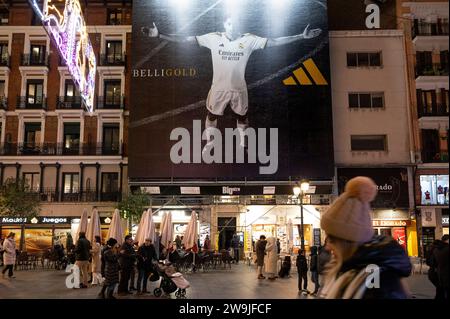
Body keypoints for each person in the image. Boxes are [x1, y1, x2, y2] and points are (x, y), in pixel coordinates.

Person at [142, 15, 321, 151]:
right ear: (224, 25)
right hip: (218, 89)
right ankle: (211, 142)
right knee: (211, 116)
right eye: (229, 23)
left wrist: (300, 37)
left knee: (242, 117)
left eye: (235, 23)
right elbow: (186, 40)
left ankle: (243, 140)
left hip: (239, 89)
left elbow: (274, 42)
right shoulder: (214, 38)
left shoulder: (249, 39)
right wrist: (160, 35)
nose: (232, 26)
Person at [320, 176, 412, 299]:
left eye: (331, 238)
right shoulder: (344, 269)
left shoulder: (377, 280)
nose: (327, 246)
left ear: (346, 241)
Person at [430, 235, 449, 299]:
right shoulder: (447, 249)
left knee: (441, 293)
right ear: (447, 240)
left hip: (440, 276)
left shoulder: (436, 250)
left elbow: (432, 263)